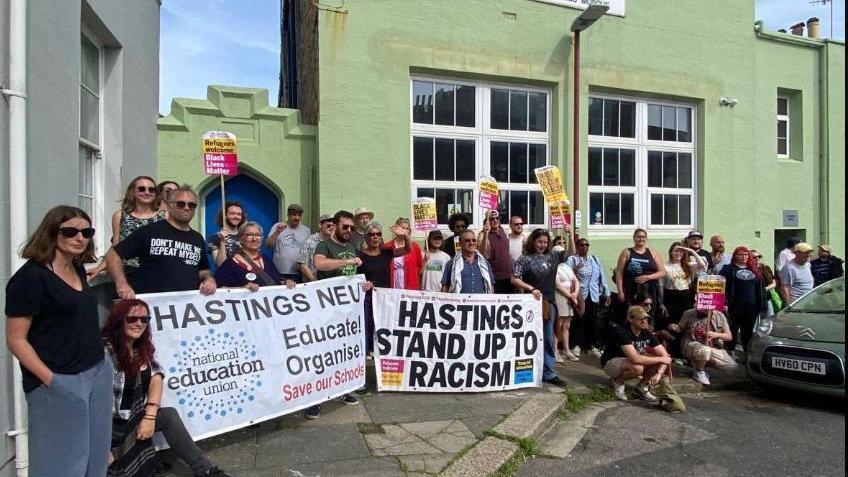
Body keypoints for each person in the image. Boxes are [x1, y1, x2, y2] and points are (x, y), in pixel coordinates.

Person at [5, 205, 113, 477]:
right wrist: (52, 380)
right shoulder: (30, 279)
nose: (80, 237)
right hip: (59, 380)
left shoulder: (76, 268)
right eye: (71, 231)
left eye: (86, 232)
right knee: (61, 466)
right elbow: (16, 340)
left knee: (96, 460)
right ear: (52, 233)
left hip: (96, 371)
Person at [102, 299, 230, 477]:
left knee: (168, 415)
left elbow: (156, 376)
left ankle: (206, 470)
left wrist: (150, 415)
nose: (138, 323)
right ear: (119, 320)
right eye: (132, 319)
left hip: (134, 420)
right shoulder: (105, 353)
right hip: (109, 429)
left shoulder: (140, 348)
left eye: (144, 319)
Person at [106, 184, 217, 297]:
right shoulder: (149, 231)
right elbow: (113, 256)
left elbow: (203, 270)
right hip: (153, 306)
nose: (186, 208)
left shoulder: (197, 238)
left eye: (192, 205)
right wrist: (122, 284)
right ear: (169, 206)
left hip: (185, 307)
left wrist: (208, 279)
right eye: (181, 204)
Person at [309, 210, 362, 417]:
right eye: (345, 227)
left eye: (351, 227)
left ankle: (343, 390)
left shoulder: (351, 246)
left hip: (347, 311)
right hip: (327, 309)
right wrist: (347, 262)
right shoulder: (324, 245)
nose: (348, 230)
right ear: (336, 226)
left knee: (344, 352)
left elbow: (351, 278)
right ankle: (316, 399)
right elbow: (319, 264)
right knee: (323, 354)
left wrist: (361, 285)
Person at [511, 227, 570, 386]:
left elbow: (569, 251)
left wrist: (569, 233)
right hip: (530, 304)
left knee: (549, 337)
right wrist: (531, 288)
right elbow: (514, 279)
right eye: (539, 241)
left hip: (548, 304)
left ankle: (549, 372)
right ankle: (526, 370)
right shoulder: (524, 259)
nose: (542, 245)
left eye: (545, 242)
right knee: (527, 338)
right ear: (533, 241)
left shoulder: (553, 257)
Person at [88, 176, 166, 278]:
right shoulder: (120, 216)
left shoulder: (164, 217)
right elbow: (115, 246)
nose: (147, 192)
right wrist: (99, 268)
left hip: (156, 271)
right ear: (133, 192)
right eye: (142, 189)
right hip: (127, 272)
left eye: (151, 190)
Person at [358, 221, 410, 355]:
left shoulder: (386, 253)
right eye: (371, 234)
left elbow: (407, 249)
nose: (375, 237)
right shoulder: (359, 256)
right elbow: (354, 277)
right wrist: (361, 284)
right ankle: (366, 351)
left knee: (381, 323)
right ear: (365, 237)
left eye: (378, 234)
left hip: (383, 296)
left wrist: (405, 236)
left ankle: (378, 349)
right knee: (366, 324)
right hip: (366, 297)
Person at [601, 306, 671, 402]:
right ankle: (618, 382)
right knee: (638, 368)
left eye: (645, 318)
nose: (644, 321)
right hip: (611, 362)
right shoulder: (622, 332)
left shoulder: (646, 332)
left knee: (656, 363)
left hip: (629, 361)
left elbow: (665, 356)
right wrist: (662, 359)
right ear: (630, 319)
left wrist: (659, 374)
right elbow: (635, 359)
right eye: (640, 319)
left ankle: (641, 388)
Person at [215, 221, 295, 290]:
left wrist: (285, 282)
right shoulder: (231, 263)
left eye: (258, 235)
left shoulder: (267, 260)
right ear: (241, 239)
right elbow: (219, 289)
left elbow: (276, 280)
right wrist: (243, 289)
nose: (254, 239)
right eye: (249, 235)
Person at [566, 238, 611, 359]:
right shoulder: (573, 259)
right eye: (581, 245)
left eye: (586, 245)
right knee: (579, 320)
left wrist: (607, 292)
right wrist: (575, 269)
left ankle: (592, 345)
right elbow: (567, 275)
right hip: (580, 294)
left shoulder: (594, 259)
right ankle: (576, 344)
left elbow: (601, 275)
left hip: (594, 294)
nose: (584, 247)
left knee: (593, 320)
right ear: (577, 246)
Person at [659, 242, 706, 357]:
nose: (678, 253)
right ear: (671, 252)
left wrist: (690, 251)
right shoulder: (665, 266)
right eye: (676, 250)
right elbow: (660, 286)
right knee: (673, 325)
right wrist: (661, 303)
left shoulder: (688, 265)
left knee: (685, 325)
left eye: (681, 251)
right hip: (671, 297)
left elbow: (702, 265)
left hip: (686, 297)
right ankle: (674, 354)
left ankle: (683, 353)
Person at [669, 308, 737, 386]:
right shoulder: (689, 313)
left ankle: (699, 363)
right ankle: (699, 371)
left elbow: (729, 336)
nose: (703, 309)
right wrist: (673, 326)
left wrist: (716, 334)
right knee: (704, 351)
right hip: (691, 344)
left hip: (711, 347)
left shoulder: (720, 315)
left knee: (731, 366)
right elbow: (680, 328)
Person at [719, 246, 765, 353]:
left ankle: (746, 352)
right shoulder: (728, 269)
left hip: (751, 306)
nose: (743, 256)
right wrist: (724, 302)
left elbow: (760, 289)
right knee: (732, 329)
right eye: (740, 254)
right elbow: (721, 286)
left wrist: (761, 304)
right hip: (734, 306)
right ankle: (731, 351)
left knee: (748, 331)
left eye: (746, 254)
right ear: (735, 256)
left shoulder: (754, 269)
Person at [614, 228, 666, 324]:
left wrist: (648, 277)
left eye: (643, 237)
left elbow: (662, 272)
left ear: (646, 238)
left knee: (648, 317)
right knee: (633, 316)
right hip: (632, 291)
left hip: (650, 291)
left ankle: (647, 335)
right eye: (638, 237)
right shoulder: (627, 252)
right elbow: (619, 272)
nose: (641, 239)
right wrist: (620, 291)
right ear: (634, 238)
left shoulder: (652, 253)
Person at [265, 203, 311, 283]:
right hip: (279, 272)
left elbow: (309, 252)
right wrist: (277, 232)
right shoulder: (277, 226)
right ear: (288, 215)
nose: (297, 218)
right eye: (294, 215)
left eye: (299, 215)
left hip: (299, 273)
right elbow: (268, 245)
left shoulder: (306, 231)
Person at [441, 229, 495, 294]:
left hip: (480, 303)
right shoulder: (452, 263)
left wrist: (492, 301)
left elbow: (490, 285)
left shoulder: (484, 262)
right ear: (460, 243)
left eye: (474, 240)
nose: (471, 243)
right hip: (458, 303)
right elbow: (445, 286)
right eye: (467, 240)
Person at [477, 210, 516, 293]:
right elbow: (482, 252)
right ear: (487, 221)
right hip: (495, 277)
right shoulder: (482, 234)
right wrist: (486, 233)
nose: (495, 220)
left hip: (509, 275)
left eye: (497, 218)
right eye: (492, 219)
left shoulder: (504, 232)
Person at [383, 218, 424, 290]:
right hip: (393, 281)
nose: (404, 230)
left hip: (410, 282)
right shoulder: (387, 246)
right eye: (402, 228)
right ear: (396, 230)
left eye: (407, 228)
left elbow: (419, 268)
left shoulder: (414, 247)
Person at [554, 259, 580, 362]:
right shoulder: (554, 266)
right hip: (560, 296)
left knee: (566, 325)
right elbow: (558, 285)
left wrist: (575, 294)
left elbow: (576, 280)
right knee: (558, 325)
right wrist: (571, 296)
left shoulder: (567, 266)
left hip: (570, 297)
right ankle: (554, 350)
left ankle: (566, 349)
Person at [297, 214, 335, 282]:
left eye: (333, 226)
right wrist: (316, 282)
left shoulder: (334, 243)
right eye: (329, 225)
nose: (331, 228)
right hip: (313, 285)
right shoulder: (309, 242)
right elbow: (303, 266)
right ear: (320, 225)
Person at [207, 201, 246, 267]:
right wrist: (222, 242)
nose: (236, 216)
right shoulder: (215, 237)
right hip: (227, 276)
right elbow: (220, 265)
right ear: (225, 216)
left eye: (239, 214)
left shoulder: (244, 236)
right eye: (232, 213)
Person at [751, 249, 778, 317]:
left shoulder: (766, 268)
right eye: (754, 257)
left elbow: (774, 283)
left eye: (759, 256)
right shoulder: (748, 269)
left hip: (766, 297)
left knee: (769, 320)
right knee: (754, 322)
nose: (757, 258)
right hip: (753, 299)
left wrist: (765, 289)